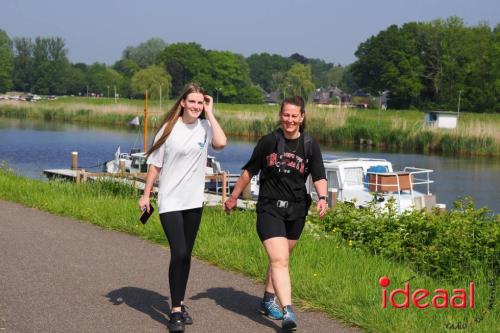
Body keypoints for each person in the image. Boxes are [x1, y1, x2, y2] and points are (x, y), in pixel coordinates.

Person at [224, 96, 327, 332]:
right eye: (286, 115)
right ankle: (288, 311)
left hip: (297, 211)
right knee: (280, 260)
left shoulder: (310, 145)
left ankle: (268, 299)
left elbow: (319, 176)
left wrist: (322, 198)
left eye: (294, 116)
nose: (290, 120)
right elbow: (249, 172)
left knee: (280, 259)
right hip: (269, 208)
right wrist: (233, 196)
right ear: (280, 116)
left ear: (302, 118)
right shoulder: (268, 142)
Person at [139, 83, 226, 332]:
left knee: (186, 254)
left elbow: (221, 143)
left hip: (193, 201)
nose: (197, 106)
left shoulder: (205, 127)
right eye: (193, 102)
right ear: (183, 104)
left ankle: (179, 301)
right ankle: (175, 311)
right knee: (178, 252)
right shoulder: (168, 129)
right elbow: (155, 166)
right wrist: (146, 196)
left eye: (201, 102)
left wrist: (210, 112)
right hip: (170, 200)